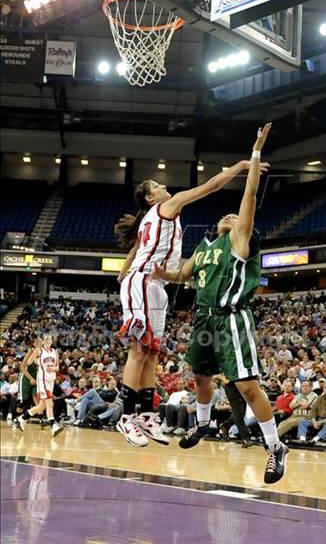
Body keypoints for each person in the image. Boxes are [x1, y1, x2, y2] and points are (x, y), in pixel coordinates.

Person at [153, 123, 289, 485]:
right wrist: (158, 273)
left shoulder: (239, 242)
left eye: (234, 217)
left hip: (232, 320)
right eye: (225, 216)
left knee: (247, 387)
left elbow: (248, 197)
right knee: (199, 377)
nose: (230, 216)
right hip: (203, 319)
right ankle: (202, 422)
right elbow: (182, 275)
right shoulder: (205, 248)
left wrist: (256, 152)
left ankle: (275, 447)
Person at [114, 153, 269, 448]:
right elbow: (210, 186)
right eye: (157, 186)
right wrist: (241, 166)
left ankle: (147, 415)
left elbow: (136, 246)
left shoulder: (151, 219)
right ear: (150, 198)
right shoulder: (165, 207)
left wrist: (125, 268)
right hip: (144, 281)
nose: (163, 187)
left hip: (155, 283)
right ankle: (125, 417)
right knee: (138, 351)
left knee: (152, 354)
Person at [17, 335, 63, 437]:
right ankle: (53, 426)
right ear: (43, 341)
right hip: (42, 379)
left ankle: (22, 418)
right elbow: (28, 363)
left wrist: (53, 368)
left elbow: (58, 367)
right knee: (50, 403)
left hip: (51, 379)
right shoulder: (39, 350)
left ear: (52, 341)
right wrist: (35, 358)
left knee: (42, 406)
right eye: (46, 339)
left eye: (49, 339)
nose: (48, 340)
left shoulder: (55, 352)